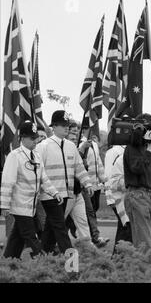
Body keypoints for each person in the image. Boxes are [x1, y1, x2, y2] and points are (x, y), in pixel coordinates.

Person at [1, 121, 61, 259]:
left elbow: (44, 179)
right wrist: (4, 205)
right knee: (31, 236)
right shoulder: (14, 156)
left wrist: (54, 192)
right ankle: (44, 262)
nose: (36, 141)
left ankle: (9, 261)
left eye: (36, 137)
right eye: (32, 138)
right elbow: (7, 182)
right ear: (22, 138)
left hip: (31, 207)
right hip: (19, 207)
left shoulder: (37, 156)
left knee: (17, 238)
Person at [36, 110, 94, 254]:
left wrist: (87, 183)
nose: (66, 128)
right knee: (60, 228)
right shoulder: (43, 146)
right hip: (50, 196)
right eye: (62, 125)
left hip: (66, 195)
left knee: (50, 228)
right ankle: (71, 262)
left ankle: (43, 256)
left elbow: (79, 167)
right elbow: (38, 172)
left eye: (67, 125)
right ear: (53, 127)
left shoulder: (71, 146)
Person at [123, 114, 151, 252]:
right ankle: (144, 270)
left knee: (146, 240)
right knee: (144, 242)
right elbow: (137, 169)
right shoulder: (132, 148)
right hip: (137, 195)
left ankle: (140, 269)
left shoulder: (144, 148)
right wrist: (149, 150)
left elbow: (149, 179)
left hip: (147, 196)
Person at [66, 123, 109, 247]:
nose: (74, 139)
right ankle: (61, 241)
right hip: (67, 190)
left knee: (89, 212)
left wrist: (102, 179)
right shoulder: (74, 148)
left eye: (75, 137)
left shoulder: (92, 145)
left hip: (83, 187)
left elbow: (92, 164)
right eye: (72, 137)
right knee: (64, 218)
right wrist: (81, 149)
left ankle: (91, 240)